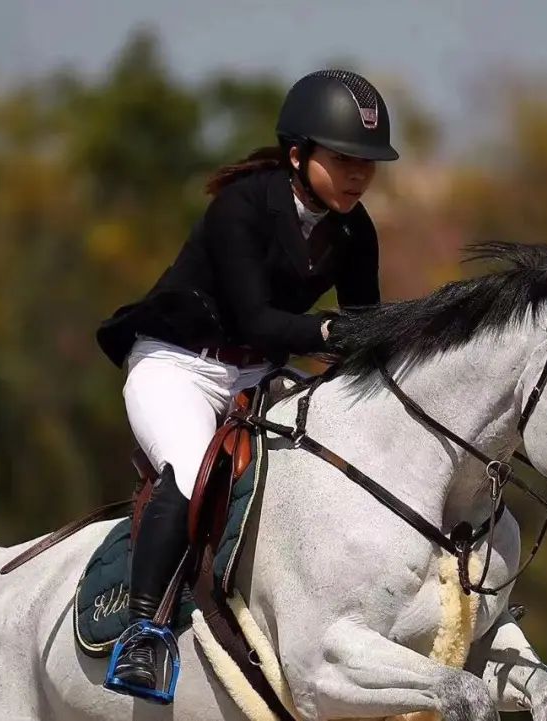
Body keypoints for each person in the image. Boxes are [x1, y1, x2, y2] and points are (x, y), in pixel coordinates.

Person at [95, 68, 399, 692]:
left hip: (257, 372)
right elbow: (256, 318)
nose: (359, 175)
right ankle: (143, 634)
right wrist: (326, 335)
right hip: (178, 365)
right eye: (343, 159)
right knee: (189, 468)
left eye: (367, 163)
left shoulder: (354, 229)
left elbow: (362, 328)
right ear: (298, 153)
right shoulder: (242, 206)